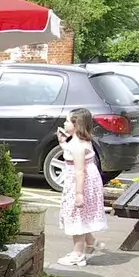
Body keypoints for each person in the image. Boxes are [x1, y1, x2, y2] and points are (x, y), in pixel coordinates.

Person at [56, 109, 108, 266]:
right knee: (82, 215)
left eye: (67, 121)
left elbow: (80, 170)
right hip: (87, 181)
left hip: (81, 184)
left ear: (76, 125)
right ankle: (91, 242)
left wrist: (79, 194)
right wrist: (63, 143)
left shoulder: (77, 146)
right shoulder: (79, 141)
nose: (64, 124)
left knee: (76, 216)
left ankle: (77, 254)